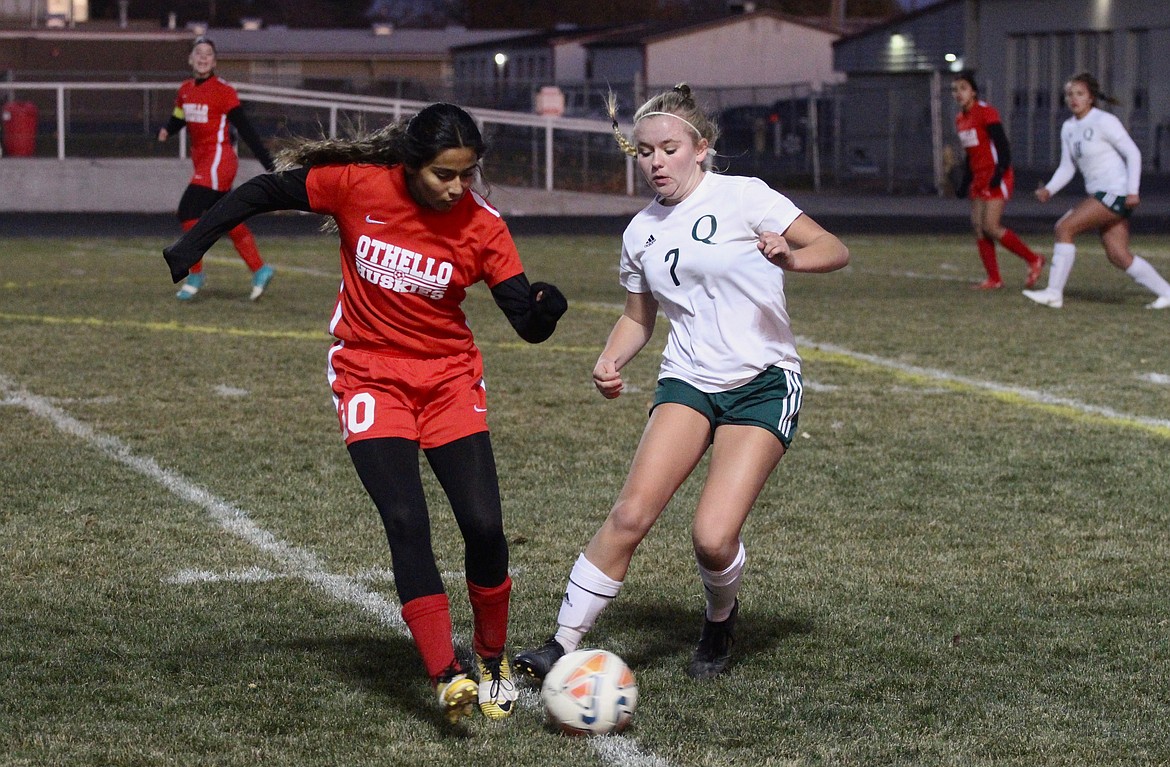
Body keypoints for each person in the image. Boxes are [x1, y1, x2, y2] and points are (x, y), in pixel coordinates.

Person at [163, 103, 568, 723]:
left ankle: (491, 658)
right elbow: (264, 191)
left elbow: (526, 323)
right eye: (443, 174)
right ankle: (446, 674)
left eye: (467, 174)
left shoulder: (483, 226)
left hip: (448, 381)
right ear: (410, 164)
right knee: (406, 520)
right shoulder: (358, 185)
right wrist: (193, 243)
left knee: (485, 527)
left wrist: (544, 309)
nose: (457, 187)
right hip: (369, 375)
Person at [515, 84, 849, 682]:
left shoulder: (745, 196)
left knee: (712, 539)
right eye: (645, 152)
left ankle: (719, 620)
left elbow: (834, 248)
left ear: (701, 147)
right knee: (629, 515)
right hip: (688, 380)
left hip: (762, 383)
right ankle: (560, 644)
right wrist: (610, 358)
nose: (656, 163)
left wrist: (791, 257)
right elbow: (638, 317)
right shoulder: (640, 231)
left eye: (668, 149)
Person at [1023, 72, 1170, 310]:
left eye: (1080, 94)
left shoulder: (1104, 121)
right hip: (1101, 194)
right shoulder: (1069, 127)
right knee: (1118, 254)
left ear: (1091, 97)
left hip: (1114, 191)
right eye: (1070, 94)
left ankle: (1053, 293)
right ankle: (1167, 293)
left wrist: (1133, 191)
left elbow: (1133, 153)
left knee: (1064, 228)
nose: (1074, 99)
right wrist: (1049, 189)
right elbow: (1067, 166)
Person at [158, 36, 276, 302]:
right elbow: (179, 116)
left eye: (208, 54)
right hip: (203, 161)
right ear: (190, 59)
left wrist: (268, 162)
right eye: (198, 53)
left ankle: (195, 275)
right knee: (227, 217)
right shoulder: (185, 90)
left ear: (214, 61)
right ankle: (260, 269)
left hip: (219, 160)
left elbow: (245, 128)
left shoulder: (223, 91)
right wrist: (166, 130)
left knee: (188, 211)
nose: (203, 57)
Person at [951, 70, 1045, 290]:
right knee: (978, 227)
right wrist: (964, 182)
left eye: (963, 88)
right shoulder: (960, 119)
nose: (958, 93)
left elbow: (1002, 145)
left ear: (973, 92)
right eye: (955, 90)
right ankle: (994, 279)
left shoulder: (986, 112)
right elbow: (970, 154)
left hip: (995, 174)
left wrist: (999, 172)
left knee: (991, 226)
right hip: (978, 176)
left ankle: (1033, 259)